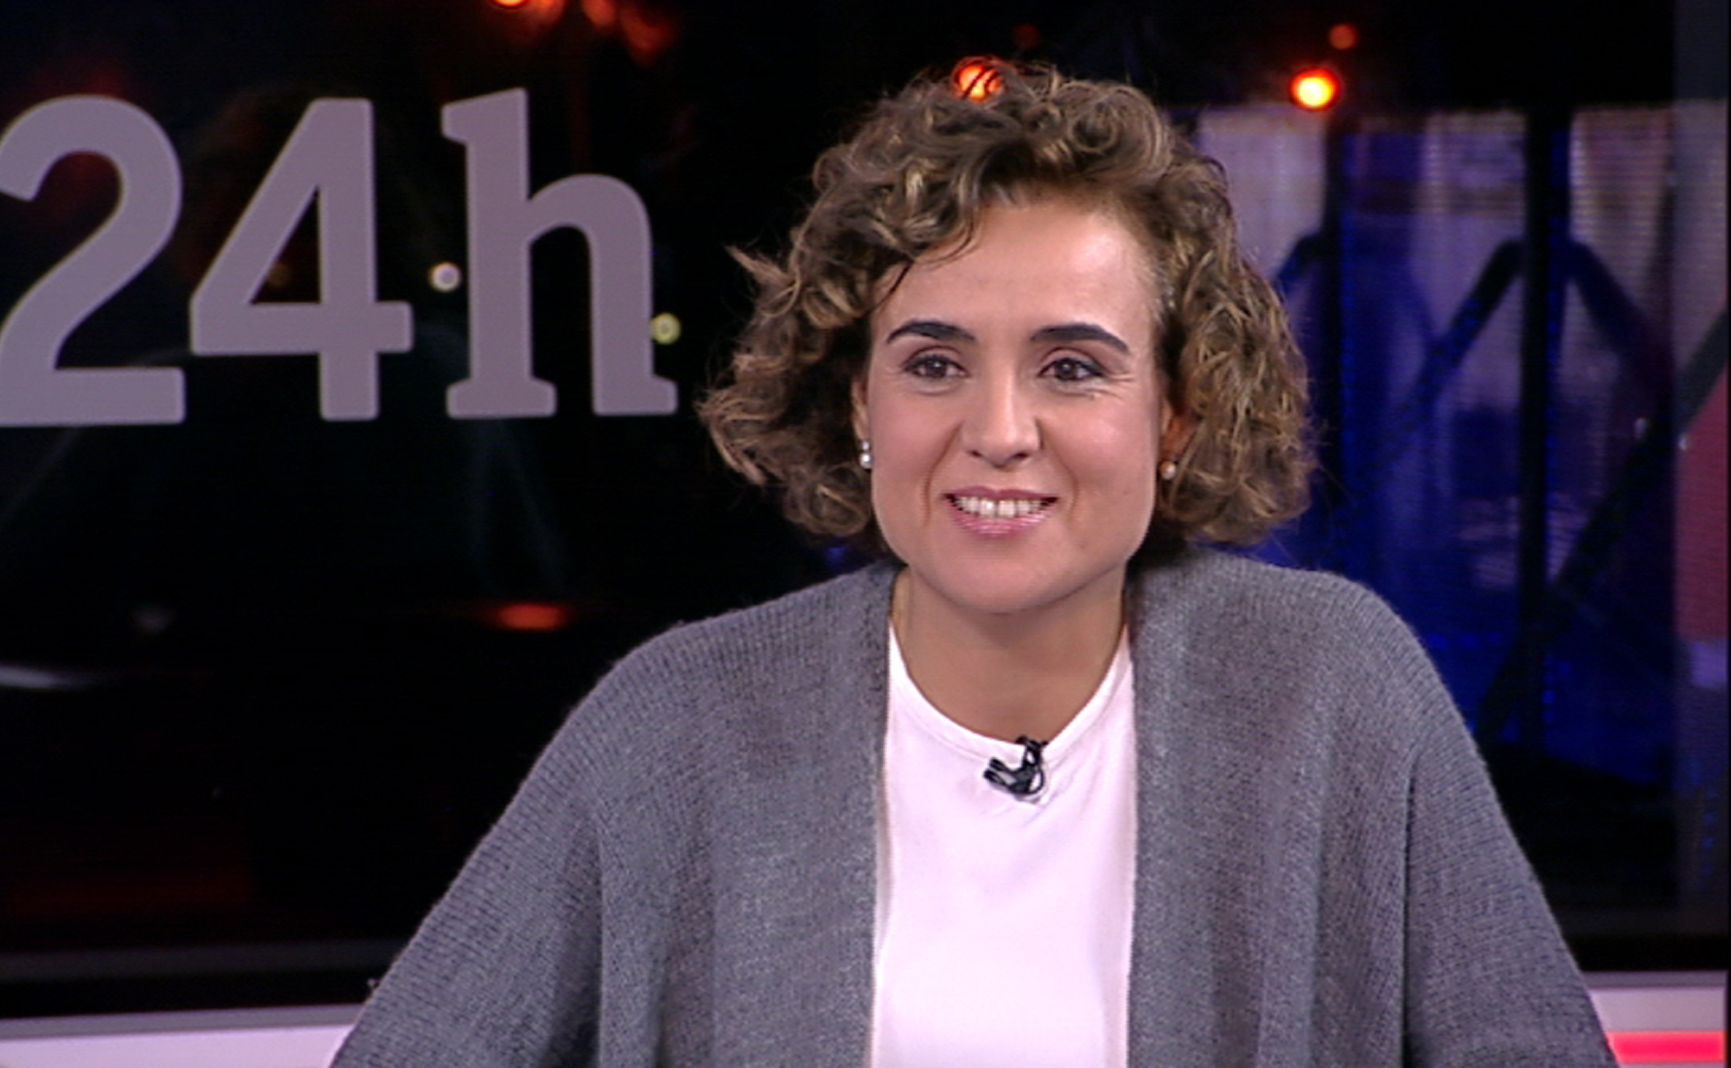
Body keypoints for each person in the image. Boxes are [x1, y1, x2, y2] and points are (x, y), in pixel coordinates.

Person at [333, 61, 1614, 1066]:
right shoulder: (681, 718)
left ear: (1175, 414)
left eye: (1072, 366)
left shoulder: (1331, 685)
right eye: (934, 362)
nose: (998, 430)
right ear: (859, 402)